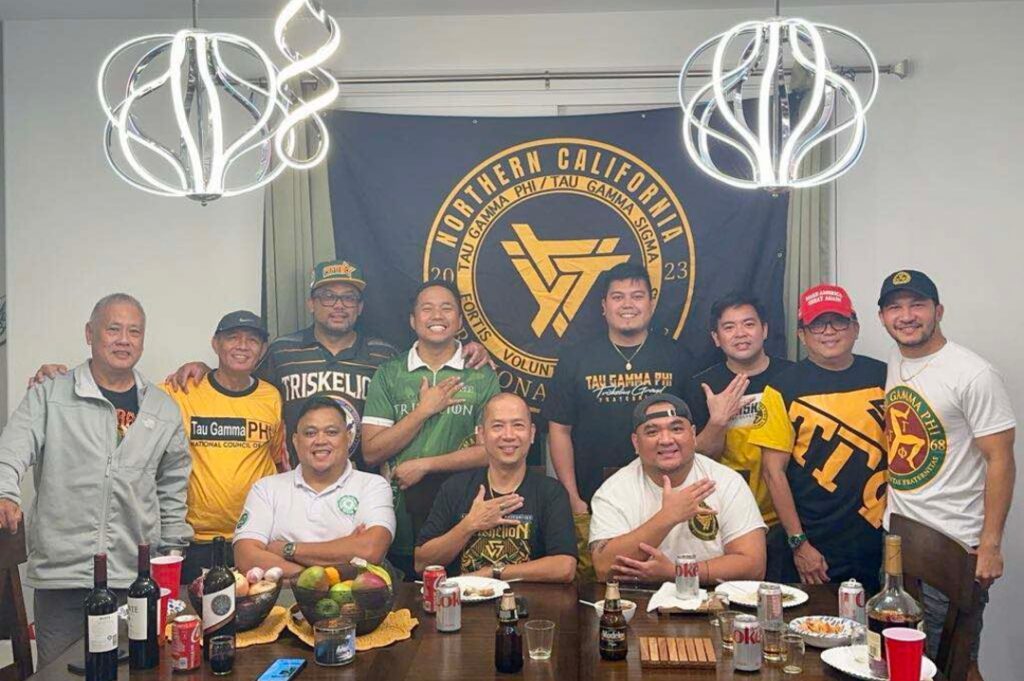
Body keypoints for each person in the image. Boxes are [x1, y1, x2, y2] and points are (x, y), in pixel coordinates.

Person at [0, 294, 192, 667]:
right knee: (58, 673)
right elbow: (12, 448)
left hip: (133, 578)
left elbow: (172, 488)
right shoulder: (51, 393)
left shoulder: (162, 409)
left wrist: (170, 553)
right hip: (62, 575)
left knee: (133, 672)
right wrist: (5, 493)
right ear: (90, 334)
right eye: (113, 329)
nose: (124, 340)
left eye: (134, 332)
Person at [154, 259, 490, 469]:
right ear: (311, 304)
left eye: (349, 297)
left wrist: (471, 350)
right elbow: (238, 383)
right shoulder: (282, 350)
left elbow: (429, 352)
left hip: (363, 483)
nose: (338, 305)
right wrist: (203, 368)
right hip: (295, 482)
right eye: (328, 296)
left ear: (360, 307)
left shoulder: (383, 355)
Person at [877, 269, 1015, 677]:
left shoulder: (973, 373)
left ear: (938, 311)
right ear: (882, 317)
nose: (906, 316)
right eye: (895, 307)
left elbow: (1000, 459)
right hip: (899, 538)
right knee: (898, 657)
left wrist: (990, 544)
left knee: (948, 663)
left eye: (917, 305)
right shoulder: (897, 361)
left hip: (952, 544)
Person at [542, 263, 688, 577]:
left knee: (663, 581)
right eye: (618, 297)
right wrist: (572, 496)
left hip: (665, 498)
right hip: (592, 498)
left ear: (652, 303)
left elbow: (692, 433)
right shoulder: (575, 358)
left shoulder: (678, 356)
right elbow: (559, 429)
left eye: (637, 296)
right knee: (599, 583)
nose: (627, 304)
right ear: (604, 306)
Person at [749, 284, 887, 592]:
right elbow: (773, 472)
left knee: (879, 621)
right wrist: (799, 543)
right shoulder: (781, 388)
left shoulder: (884, 376)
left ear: (855, 328)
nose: (828, 331)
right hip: (816, 548)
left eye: (838, 321)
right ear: (802, 334)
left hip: (880, 539)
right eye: (817, 324)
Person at [361, 280, 500, 578]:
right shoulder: (389, 374)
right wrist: (423, 411)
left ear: (460, 321)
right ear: (413, 320)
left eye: (446, 308)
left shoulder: (481, 374)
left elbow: (493, 451)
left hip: (465, 515)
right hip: (401, 517)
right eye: (427, 308)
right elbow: (371, 452)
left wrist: (425, 465)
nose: (437, 315)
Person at [589, 394, 766, 584]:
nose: (666, 440)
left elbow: (753, 565)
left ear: (693, 435)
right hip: (638, 596)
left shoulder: (726, 481)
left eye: (676, 429)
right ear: (636, 443)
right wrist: (667, 517)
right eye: (652, 432)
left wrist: (677, 572)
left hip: (713, 596)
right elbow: (604, 568)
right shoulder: (613, 491)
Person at [164, 311, 287, 584]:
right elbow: (126, 396)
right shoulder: (182, 390)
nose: (242, 346)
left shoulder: (271, 396)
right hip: (196, 541)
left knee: (257, 607)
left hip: (256, 537)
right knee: (198, 608)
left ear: (263, 349)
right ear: (215, 343)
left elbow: (277, 460)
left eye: (252, 340)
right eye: (232, 337)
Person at [414, 393, 578, 582]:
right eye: (498, 426)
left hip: (528, 600)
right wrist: (469, 525)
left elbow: (565, 567)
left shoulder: (550, 492)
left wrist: (494, 572)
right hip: (465, 599)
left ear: (532, 433)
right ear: (481, 435)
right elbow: (421, 564)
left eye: (518, 425)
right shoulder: (455, 488)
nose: (508, 435)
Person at [233, 395, 395, 576]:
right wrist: (314, 577)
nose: (320, 440)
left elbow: (370, 550)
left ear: (348, 437)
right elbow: (245, 557)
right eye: (310, 433)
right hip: (285, 595)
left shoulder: (373, 486)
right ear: (295, 441)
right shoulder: (266, 489)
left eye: (331, 432)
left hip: (353, 594)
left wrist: (287, 549)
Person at [678, 292, 793, 526]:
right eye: (729, 327)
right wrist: (718, 422)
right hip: (727, 514)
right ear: (716, 338)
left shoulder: (793, 377)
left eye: (749, 324)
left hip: (788, 513)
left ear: (765, 330)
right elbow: (694, 460)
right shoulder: (703, 386)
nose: (740, 333)